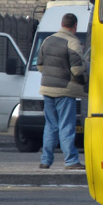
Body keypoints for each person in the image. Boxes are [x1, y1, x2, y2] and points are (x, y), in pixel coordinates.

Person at [37, 13, 87, 170]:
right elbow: (77, 70)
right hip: (64, 90)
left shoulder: (47, 40)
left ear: (61, 23)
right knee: (66, 126)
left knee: (50, 126)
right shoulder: (73, 42)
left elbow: (40, 65)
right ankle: (71, 161)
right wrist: (83, 82)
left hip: (47, 88)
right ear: (75, 26)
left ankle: (45, 160)